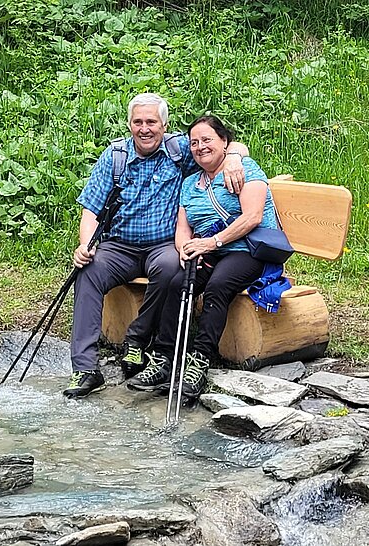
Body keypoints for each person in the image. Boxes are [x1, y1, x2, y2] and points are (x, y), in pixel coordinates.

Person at [63, 95, 249, 399]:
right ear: (129, 124)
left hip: (163, 245)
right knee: (87, 271)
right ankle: (86, 369)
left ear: (164, 125)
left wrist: (233, 159)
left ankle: (136, 339)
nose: (145, 129)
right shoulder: (115, 157)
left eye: (151, 122)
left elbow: (230, 145)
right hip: (118, 247)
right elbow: (91, 211)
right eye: (138, 122)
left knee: (170, 268)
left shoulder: (179, 151)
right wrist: (86, 245)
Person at [128, 115, 282, 399]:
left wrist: (212, 242)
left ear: (224, 142)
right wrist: (186, 250)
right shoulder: (189, 184)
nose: (200, 147)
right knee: (177, 283)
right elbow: (182, 229)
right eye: (194, 143)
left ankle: (199, 361)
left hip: (247, 250)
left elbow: (252, 217)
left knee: (217, 285)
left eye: (207, 140)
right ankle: (163, 359)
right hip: (209, 250)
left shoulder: (244, 168)